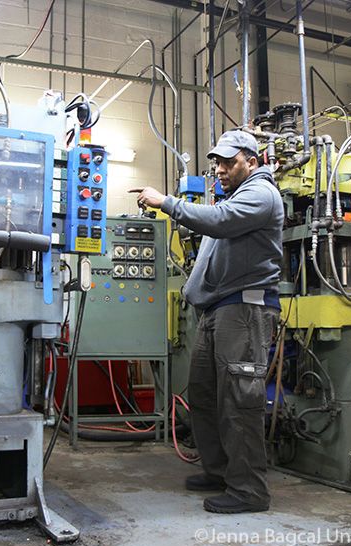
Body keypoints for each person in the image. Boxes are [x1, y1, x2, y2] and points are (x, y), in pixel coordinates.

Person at [130, 130, 283, 514]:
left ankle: (249, 490)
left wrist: (168, 202)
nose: (221, 169)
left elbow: (219, 220)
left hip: (244, 310)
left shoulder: (261, 194)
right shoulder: (234, 197)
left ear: (252, 159)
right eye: (217, 162)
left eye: (230, 162)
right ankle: (220, 471)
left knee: (238, 401)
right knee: (203, 395)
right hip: (217, 310)